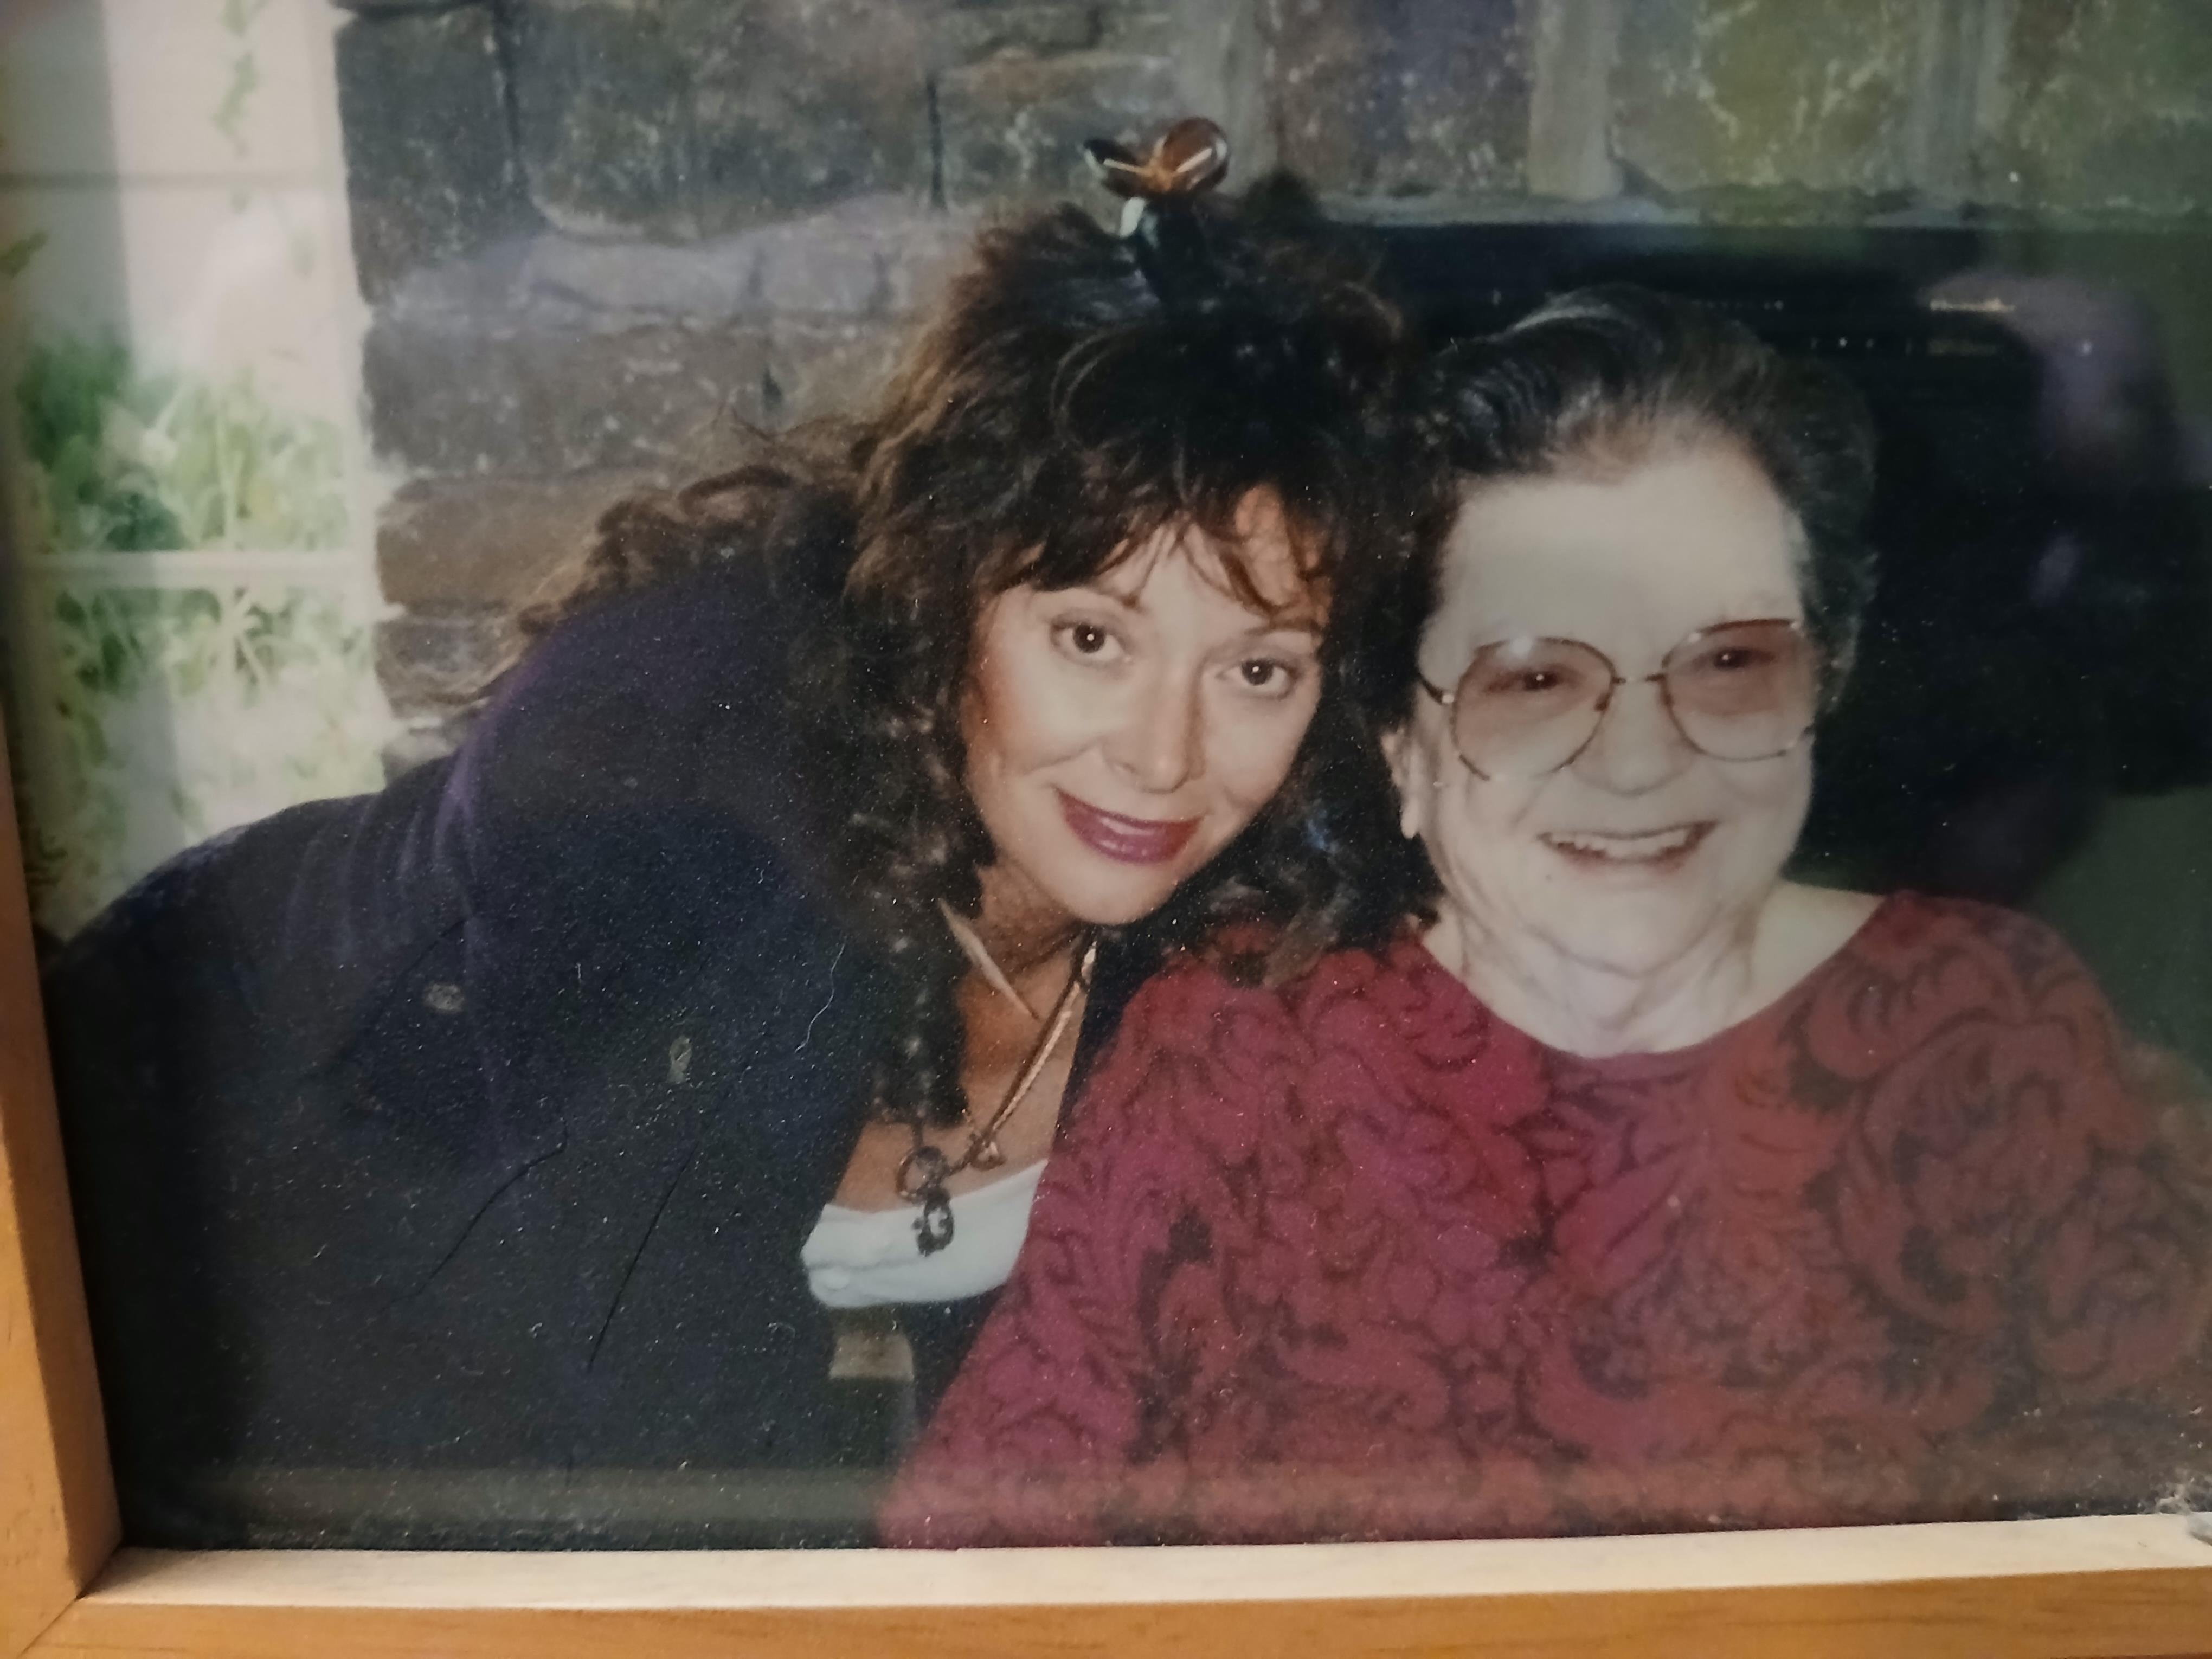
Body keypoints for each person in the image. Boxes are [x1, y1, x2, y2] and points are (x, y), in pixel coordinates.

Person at [46, 126, 1438, 1546]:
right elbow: (612, 1457)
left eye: (1258, 666)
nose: (1163, 753)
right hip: (132, 1222)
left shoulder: (1245, 930)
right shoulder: (687, 802)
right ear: (951, 590)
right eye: (1091, 635)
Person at [883, 286, 2212, 1547]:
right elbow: (977, 1573)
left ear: (1823, 685)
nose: (1638, 762)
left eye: (1730, 664)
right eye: (1533, 679)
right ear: (1402, 739)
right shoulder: (1237, 1063)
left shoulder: (1985, 1031)